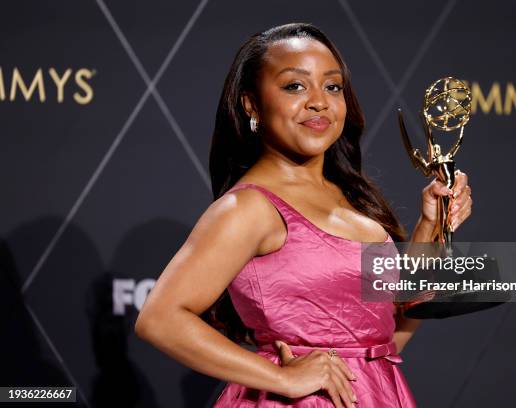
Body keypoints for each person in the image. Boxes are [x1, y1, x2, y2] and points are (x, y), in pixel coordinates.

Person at [134, 22, 472, 407]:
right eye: (295, 86)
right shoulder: (247, 208)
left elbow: (385, 337)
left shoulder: (352, 199)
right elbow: (159, 319)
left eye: (332, 86)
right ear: (251, 103)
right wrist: (279, 377)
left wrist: (431, 225)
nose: (319, 102)